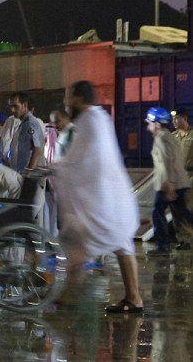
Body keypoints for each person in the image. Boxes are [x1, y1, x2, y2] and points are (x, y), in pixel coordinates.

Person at [50, 80, 142, 313]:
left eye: (68, 97)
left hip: (105, 202)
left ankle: (66, 297)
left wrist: (58, 168)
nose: (65, 103)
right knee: (122, 246)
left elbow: (84, 159)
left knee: (76, 244)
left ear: (79, 99)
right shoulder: (97, 119)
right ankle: (134, 298)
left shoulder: (90, 121)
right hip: (113, 199)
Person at [144, 107, 193, 256]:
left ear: (157, 124)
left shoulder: (162, 138)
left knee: (158, 213)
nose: (148, 126)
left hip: (170, 184)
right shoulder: (171, 136)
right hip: (176, 183)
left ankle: (163, 247)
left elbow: (167, 162)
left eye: (150, 123)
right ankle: (165, 245)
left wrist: (169, 185)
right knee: (183, 214)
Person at [5, 92, 45, 172]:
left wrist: (29, 174)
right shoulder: (23, 124)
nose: (12, 110)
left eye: (15, 106)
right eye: (11, 107)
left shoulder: (30, 123)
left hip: (33, 176)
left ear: (25, 105)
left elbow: (37, 149)